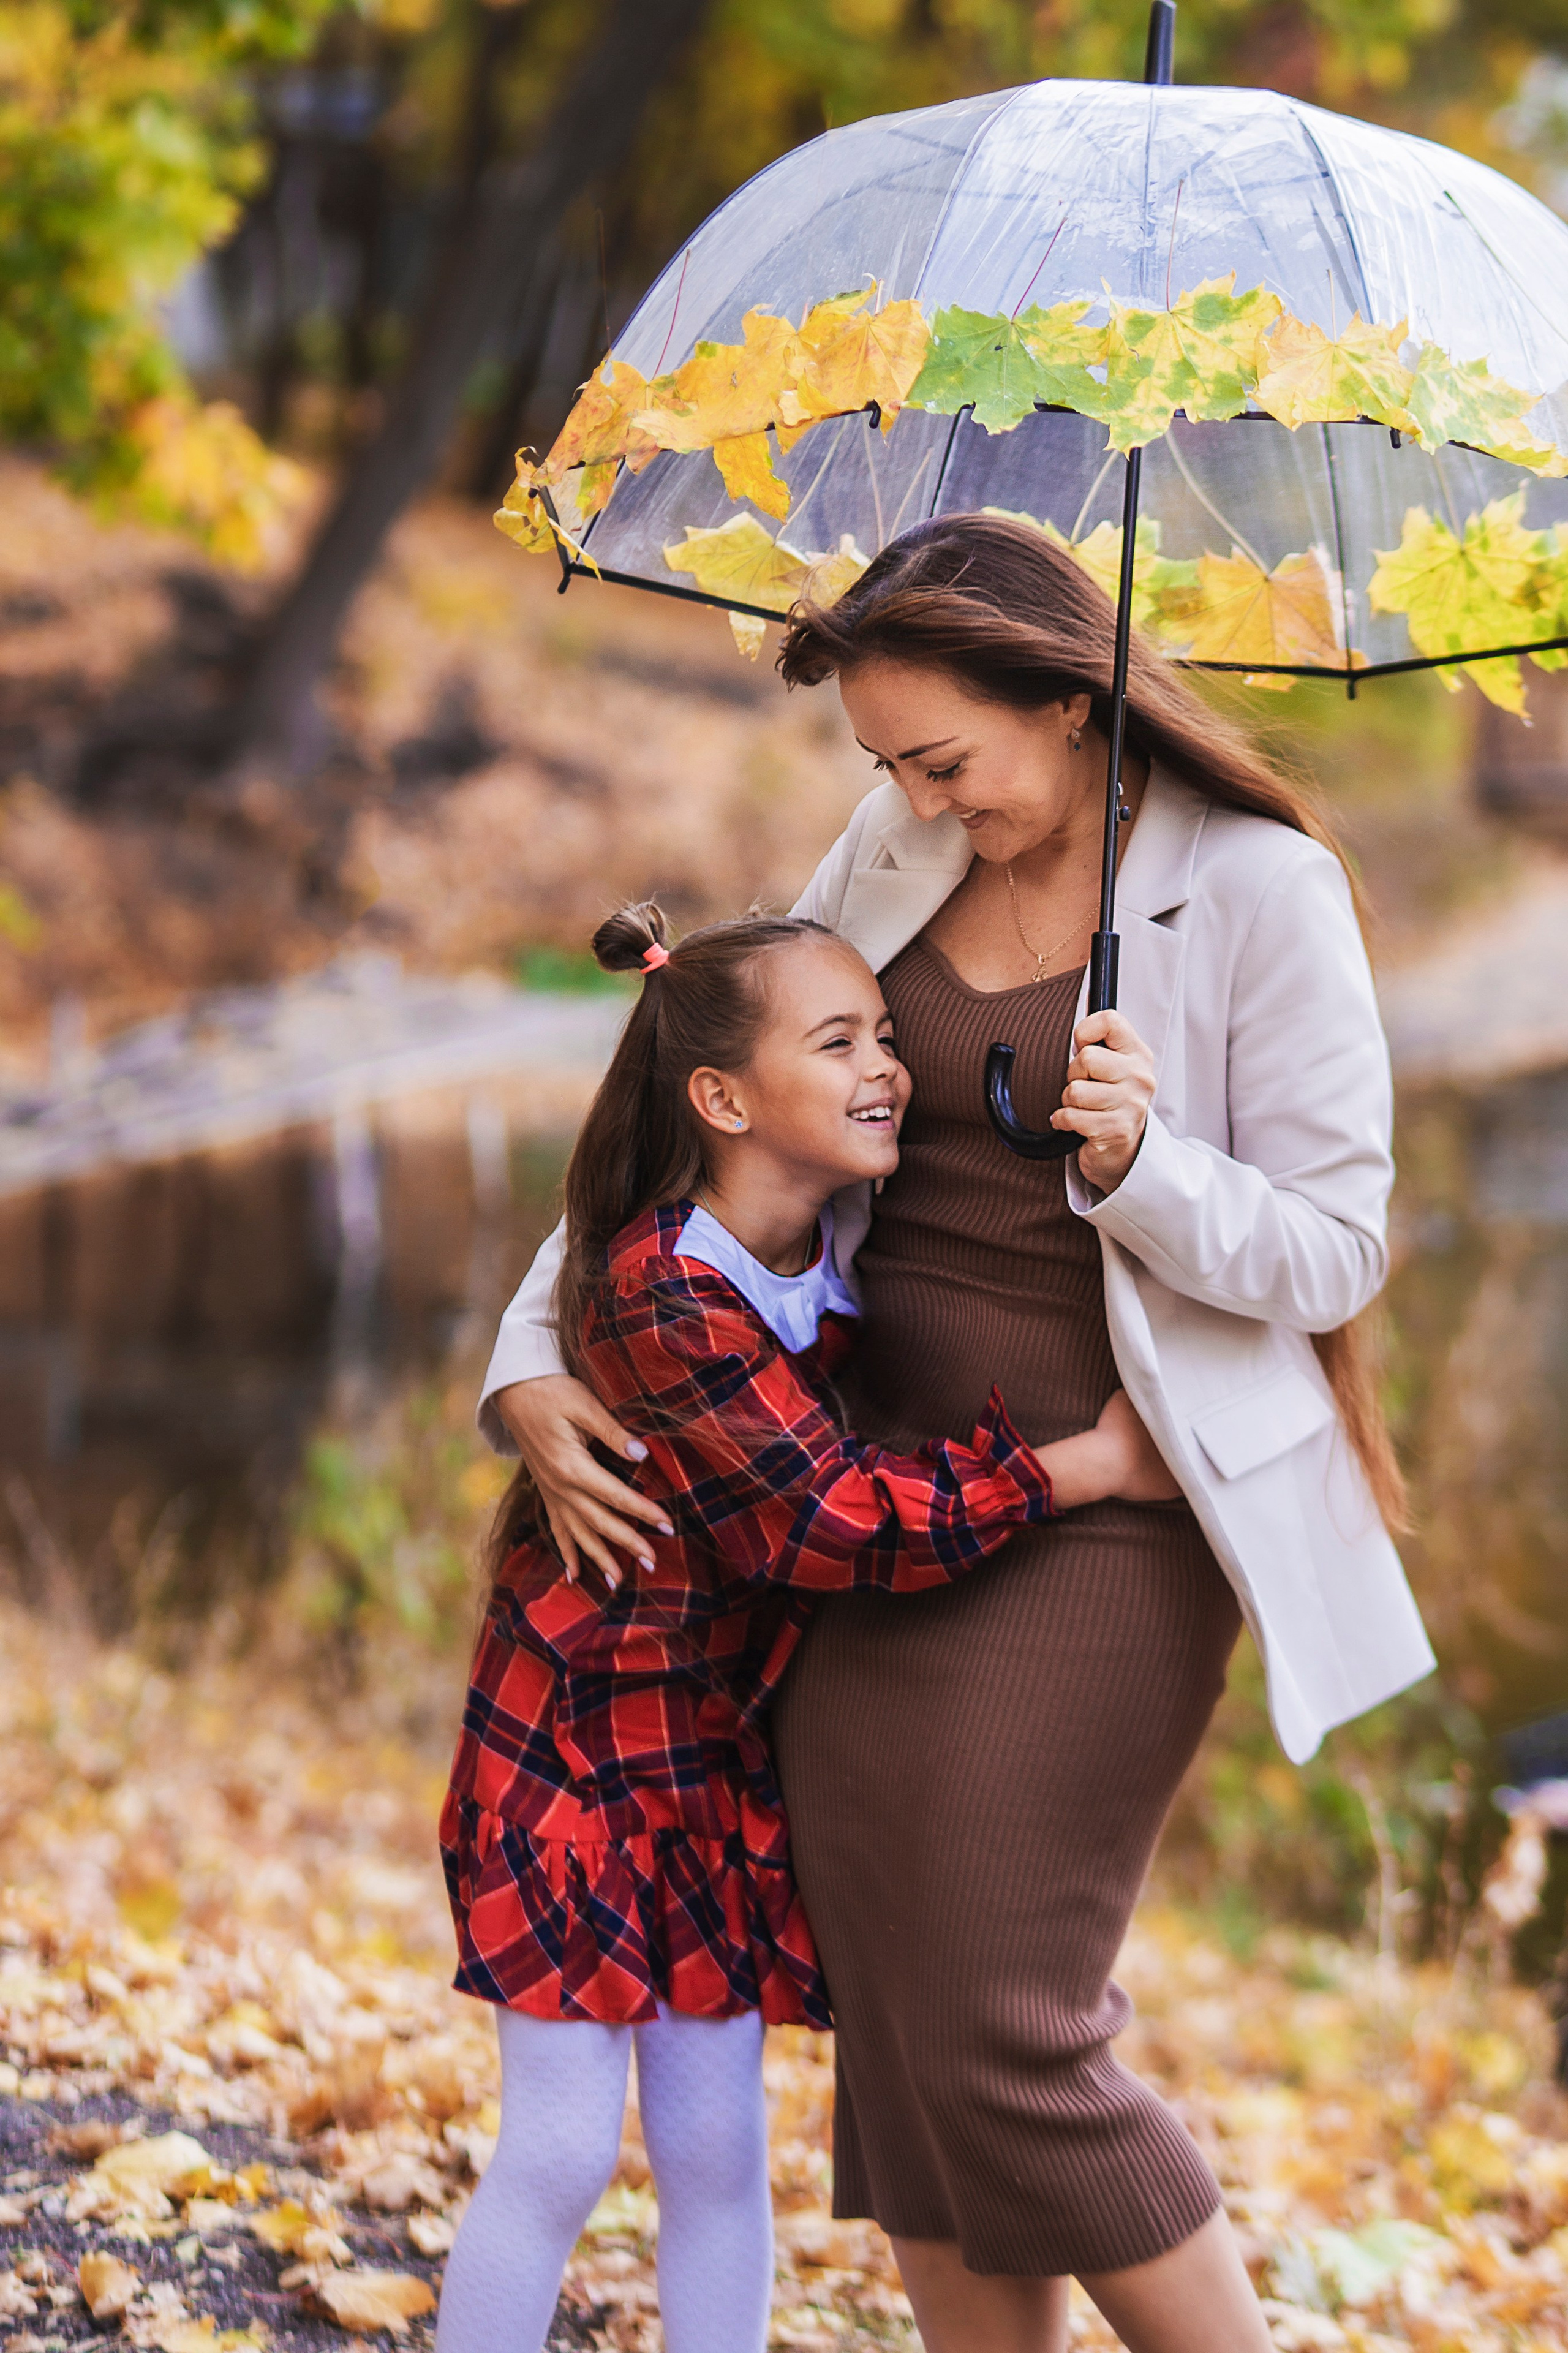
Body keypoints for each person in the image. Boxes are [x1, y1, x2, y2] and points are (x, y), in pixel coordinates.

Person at [477, 516, 1436, 2353]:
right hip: (861, 1508)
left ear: (1069, 701)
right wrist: (536, 1359)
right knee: (903, 2020)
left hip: (1108, 1506)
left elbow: (1334, 1247)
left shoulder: (1257, 888)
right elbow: (715, 1111)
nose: (919, 798)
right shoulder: (902, 845)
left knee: (1004, 2021)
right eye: (888, 767)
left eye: (946, 759)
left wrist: (1149, 1167)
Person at [434, 897, 1177, 2353]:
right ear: (720, 1097)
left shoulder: (833, 1233)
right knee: (564, 2147)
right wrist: (1071, 1466)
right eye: (837, 1042)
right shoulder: (664, 1288)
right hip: (572, 1764)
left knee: (717, 2156)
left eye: (886, 1036)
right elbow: (828, 1523)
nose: (886, 1066)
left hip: (704, 1772)